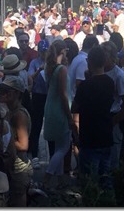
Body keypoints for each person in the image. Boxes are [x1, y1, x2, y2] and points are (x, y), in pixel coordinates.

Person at [71, 46, 115, 189]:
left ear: (89, 62)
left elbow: (75, 108)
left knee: (88, 180)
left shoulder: (85, 85)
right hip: (106, 134)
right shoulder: (110, 82)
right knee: (105, 177)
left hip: (89, 136)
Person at [0, 77, 32, 206]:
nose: (1, 93)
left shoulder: (19, 115)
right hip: (11, 165)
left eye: (6, 91)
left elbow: (23, 145)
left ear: (16, 94)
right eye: (1, 90)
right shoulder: (10, 111)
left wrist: (4, 138)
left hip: (18, 168)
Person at [42, 42, 74, 189]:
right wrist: (69, 116)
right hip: (60, 109)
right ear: (63, 51)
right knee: (63, 147)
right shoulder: (61, 69)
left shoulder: (50, 68)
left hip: (51, 107)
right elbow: (63, 94)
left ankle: (60, 180)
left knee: (58, 147)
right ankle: (47, 178)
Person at [101, 41, 124, 170]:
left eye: (104, 55)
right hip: (99, 119)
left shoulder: (119, 75)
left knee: (112, 161)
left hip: (112, 119)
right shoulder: (97, 70)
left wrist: (113, 121)